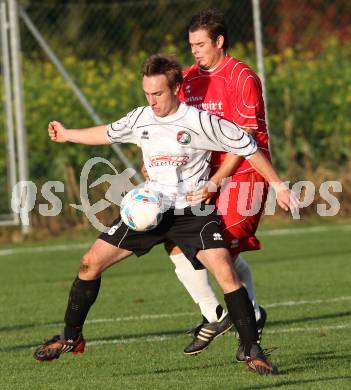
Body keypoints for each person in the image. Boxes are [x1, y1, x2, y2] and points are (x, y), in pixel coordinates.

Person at [34, 54, 297, 376]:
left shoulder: (200, 121)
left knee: (226, 271)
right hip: (150, 208)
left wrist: (279, 187)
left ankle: (253, 350)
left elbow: (247, 146)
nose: (152, 100)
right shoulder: (141, 118)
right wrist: (67, 134)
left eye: (157, 93)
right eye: (147, 93)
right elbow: (108, 132)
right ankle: (70, 338)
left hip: (192, 211)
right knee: (90, 263)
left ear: (176, 87)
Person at [162, 9, 272, 361]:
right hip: (203, 177)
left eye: (200, 44)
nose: (193, 51)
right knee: (178, 246)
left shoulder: (242, 78)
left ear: (219, 41)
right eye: (190, 44)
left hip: (244, 176)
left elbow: (245, 142)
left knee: (218, 251)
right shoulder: (190, 79)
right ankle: (237, 316)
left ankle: (236, 323)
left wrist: (215, 181)